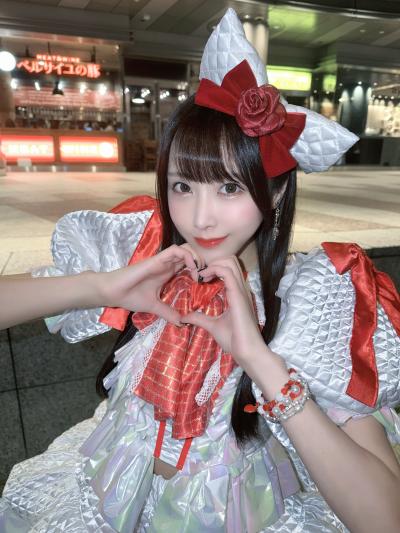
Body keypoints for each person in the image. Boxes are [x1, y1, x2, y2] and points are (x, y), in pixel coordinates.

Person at [1, 8, 400, 532]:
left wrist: (260, 361)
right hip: (106, 498)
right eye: (182, 186)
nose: (199, 218)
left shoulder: (312, 299)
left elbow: (385, 519)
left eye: (230, 187)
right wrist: (102, 286)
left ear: (277, 191)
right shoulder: (147, 251)